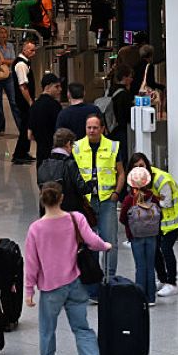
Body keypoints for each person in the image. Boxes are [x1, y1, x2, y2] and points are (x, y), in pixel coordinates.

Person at [25, 182, 111, 355]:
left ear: (42, 199)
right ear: (62, 198)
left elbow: (31, 263)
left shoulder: (36, 229)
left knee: (47, 329)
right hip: (75, 282)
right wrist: (106, 246)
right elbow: (93, 240)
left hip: (50, 288)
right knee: (82, 327)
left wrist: (29, 290)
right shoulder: (76, 218)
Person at [72, 112, 125, 295]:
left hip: (107, 200)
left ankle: (109, 279)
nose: (92, 131)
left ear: (102, 128)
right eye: (89, 127)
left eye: (95, 127)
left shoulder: (112, 146)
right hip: (86, 202)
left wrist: (116, 193)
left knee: (110, 241)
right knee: (89, 242)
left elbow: (121, 172)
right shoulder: (77, 147)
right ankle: (91, 283)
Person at [127, 152, 178, 298]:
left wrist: (148, 204)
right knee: (154, 249)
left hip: (175, 217)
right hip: (158, 220)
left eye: (141, 166)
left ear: (147, 165)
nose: (139, 169)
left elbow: (165, 203)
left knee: (166, 248)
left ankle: (172, 283)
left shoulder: (162, 180)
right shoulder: (136, 181)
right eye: (135, 167)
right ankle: (162, 279)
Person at [118, 166, 161, 305]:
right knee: (150, 266)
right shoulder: (153, 197)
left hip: (136, 237)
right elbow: (161, 215)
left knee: (140, 267)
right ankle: (151, 298)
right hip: (152, 236)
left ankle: (141, 298)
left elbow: (123, 218)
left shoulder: (129, 199)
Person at [37, 128, 96, 215]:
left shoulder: (43, 165)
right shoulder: (70, 165)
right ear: (68, 143)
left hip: (47, 212)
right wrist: (93, 181)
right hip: (69, 213)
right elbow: (83, 188)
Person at [30, 73, 64, 171]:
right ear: (48, 87)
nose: (60, 89)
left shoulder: (34, 106)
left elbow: (30, 135)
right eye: (57, 86)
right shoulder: (55, 106)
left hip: (41, 154)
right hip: (55, 153)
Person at [12, 39, 39, 163]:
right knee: (25, 127)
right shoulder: (21, 65)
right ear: (24, 50)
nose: (33, 53)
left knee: (28, 126)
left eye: (34, 50)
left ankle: (24, 152)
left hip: (25, 100)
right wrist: (30, 102)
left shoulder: (25, 63)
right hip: (23, 101)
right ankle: (19, 154)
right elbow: (23, 86)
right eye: (31, 50)